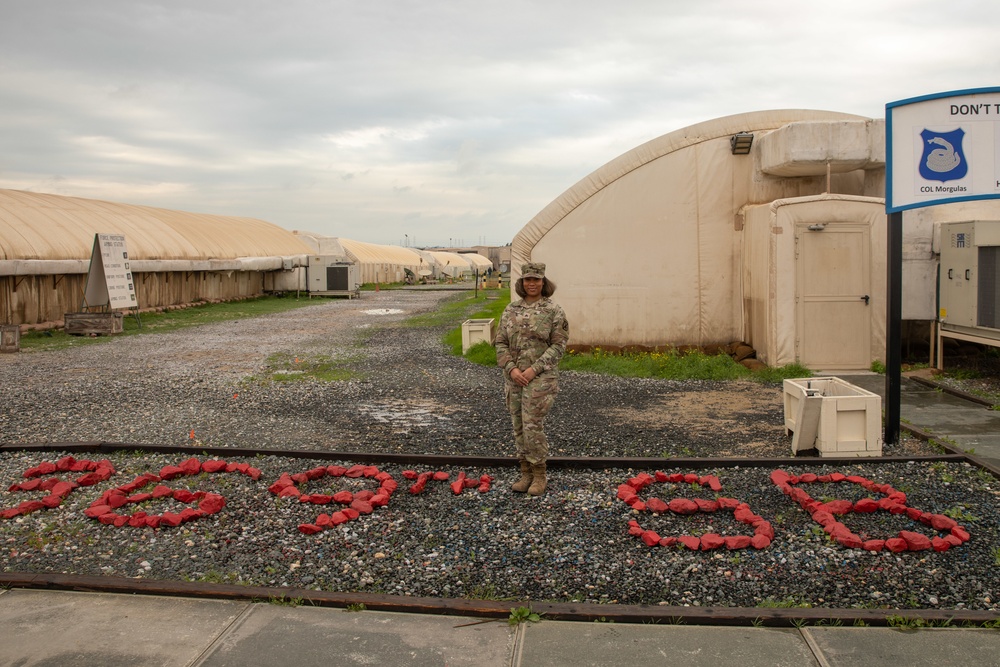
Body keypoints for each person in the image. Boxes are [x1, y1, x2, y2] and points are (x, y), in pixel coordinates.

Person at [494, 262, 569, 495]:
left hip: (541, 378)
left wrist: (534, 369)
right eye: (528, 280)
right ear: (522, 283)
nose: (532, 284)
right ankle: (525, 472)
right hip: (515, 377)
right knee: (518, 424)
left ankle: (539, 475)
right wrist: (511, 369)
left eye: (536, 280)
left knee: (532, 424)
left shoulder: (553, 311)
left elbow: (559, 345)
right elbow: (500, 342)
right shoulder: (511, 310)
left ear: (544, 282)